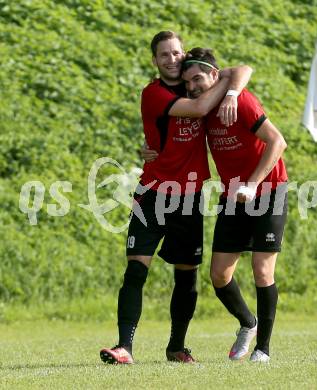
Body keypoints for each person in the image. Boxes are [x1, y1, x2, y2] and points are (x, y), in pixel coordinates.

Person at [100, 31, 253, 364]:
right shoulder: (154, 93)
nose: (172, 59)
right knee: (136, 270)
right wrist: (221, 88)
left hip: (189, 197)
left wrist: (230, 93)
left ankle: (176, 348)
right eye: (164, 54)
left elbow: (241, 69)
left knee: (187, 275)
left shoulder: (197, 83)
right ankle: (124, 347)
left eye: (176, 52)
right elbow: (198, 109)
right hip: (153, 193)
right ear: (155, 60)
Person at [143, 47, 288, 363]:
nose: (193, 86)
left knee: (262, 270)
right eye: (188, 82)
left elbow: (278, 142)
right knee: (219, 275)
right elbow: (173, 134)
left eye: (197, 79)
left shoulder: (240, 100)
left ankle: (263, 348)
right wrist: (151, 148)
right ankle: (248, 324)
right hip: (232, 197)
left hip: (268, 192)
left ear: (214, 74)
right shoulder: (201, 108)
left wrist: (252, 185)